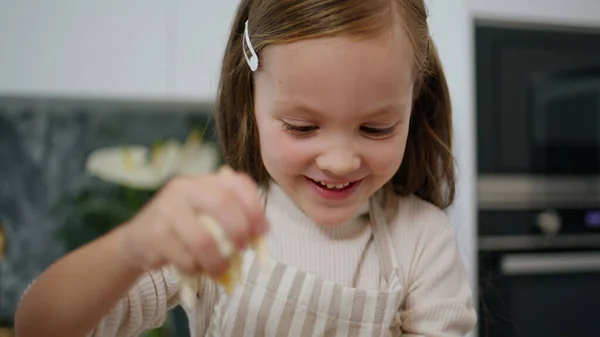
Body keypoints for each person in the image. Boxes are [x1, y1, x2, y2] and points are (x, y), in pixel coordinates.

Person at [14, 0, 478, 336]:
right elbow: (41, 326)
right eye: (301, 127)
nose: (339, 161)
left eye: (376, 129)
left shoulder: (422, 241)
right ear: (249, 102)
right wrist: (134, 245)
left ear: (414, 104)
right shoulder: (218, 224)